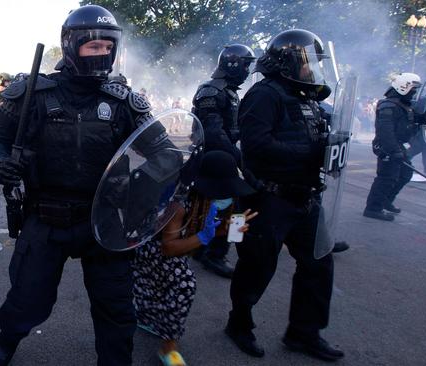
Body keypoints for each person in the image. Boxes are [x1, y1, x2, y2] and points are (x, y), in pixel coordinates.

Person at [0, 5, 155, 365]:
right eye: (93, 46)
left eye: (108, 46)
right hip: (46, 216)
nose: (102, 52)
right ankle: (9, 338)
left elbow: (163, 151)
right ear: (71, 46)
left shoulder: (123, 101)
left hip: (106, 220)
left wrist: (142, 187)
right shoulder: (32, 94)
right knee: (27, 298)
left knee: (116, 309)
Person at [226, 29, 345, 362]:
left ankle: (304, 332)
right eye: (307, 62)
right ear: (287, 62)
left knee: (319, 264)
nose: (312, 69)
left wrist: (334, 145)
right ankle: (239, 323)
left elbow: (322, 139)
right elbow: (256, 146)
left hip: (306, 197)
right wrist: (309, 151)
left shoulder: (308, 98)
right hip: (269, 199)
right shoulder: (264, 95)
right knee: (257, 266)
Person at [133, 151, 256, 366]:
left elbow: (201, 231)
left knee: (160, 286)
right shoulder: (179, 204)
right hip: (152, 251)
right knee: (183, 285)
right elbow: (169, 248)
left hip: (173, 251)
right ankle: (168, 349)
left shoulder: (207, 201)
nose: (227, 197)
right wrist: (206, 235)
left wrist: (226, 230)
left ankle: (148, 318)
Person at [190, 44, 256, 278]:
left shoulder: (228, 90)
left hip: (224, 157)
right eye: (246, 65)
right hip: (213, 158)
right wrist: (240, 160)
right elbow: (214, 132)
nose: (248, 70)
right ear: (233, 64)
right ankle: (216, 254)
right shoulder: (212, 91)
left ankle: (203, 248)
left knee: (217, 208)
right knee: (234, 209)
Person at [364, 73, 423, 221]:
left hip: (397, 145)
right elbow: (385, 131)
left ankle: (385, 200)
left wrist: (424, 118)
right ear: (403, 87)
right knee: (386, 178)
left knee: (405, 174)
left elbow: (409, 122)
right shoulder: (388, 105)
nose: (414, 93)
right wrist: (394, 151)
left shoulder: (403, 105)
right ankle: (373, 208)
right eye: (412, 89)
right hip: (387, 146)